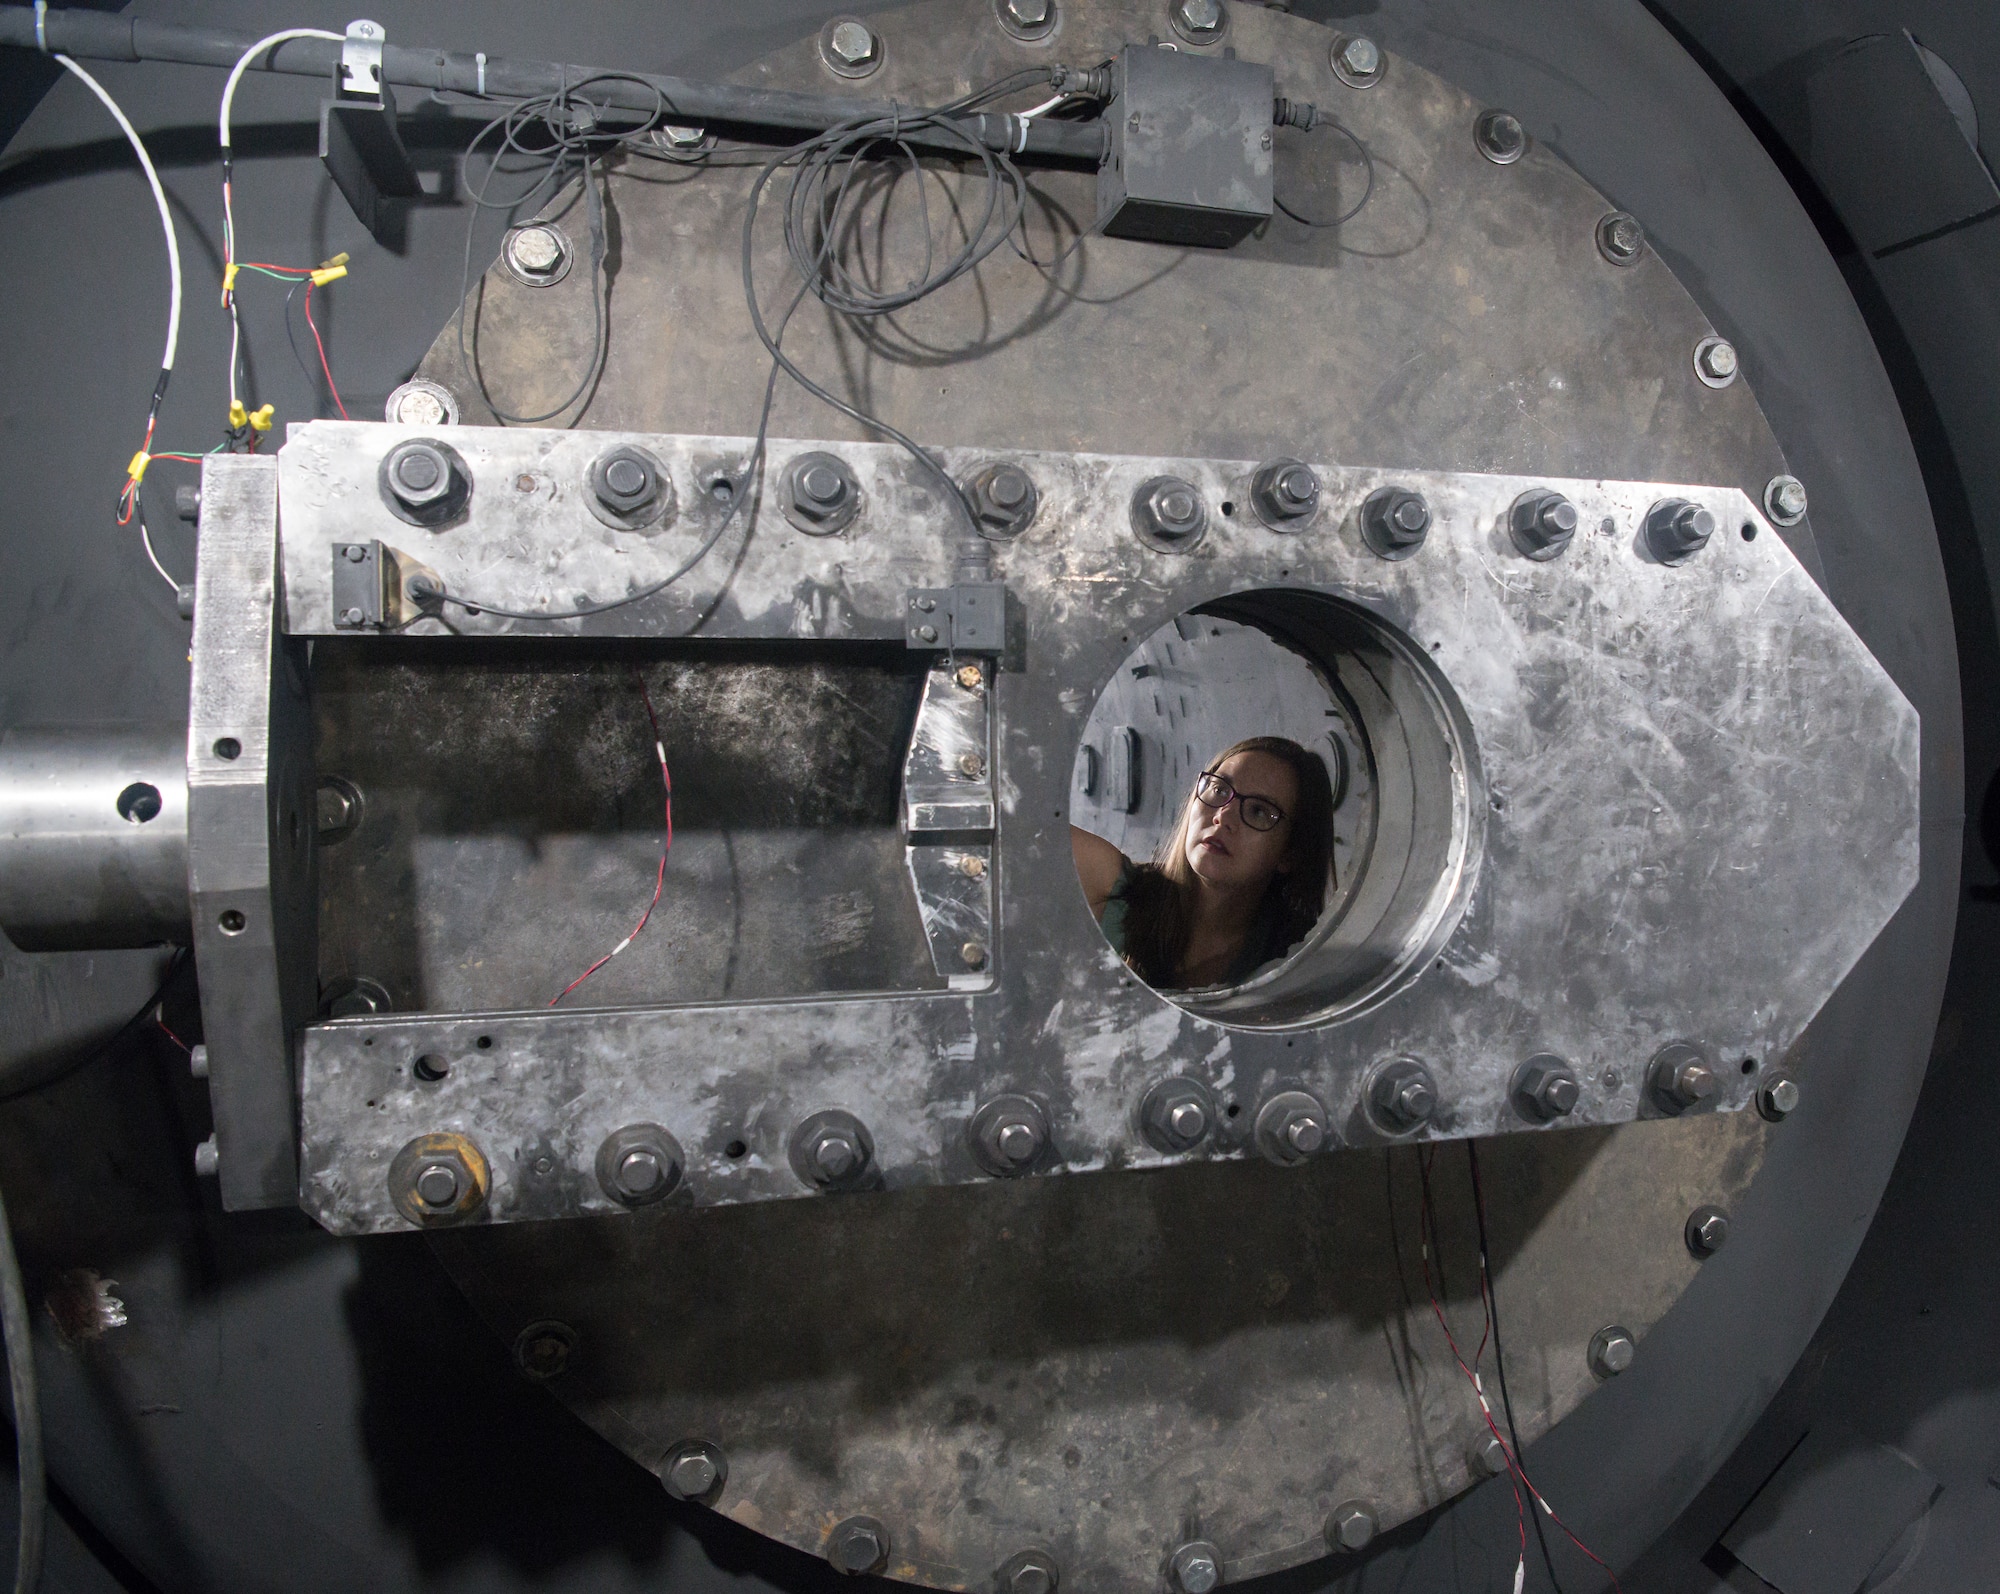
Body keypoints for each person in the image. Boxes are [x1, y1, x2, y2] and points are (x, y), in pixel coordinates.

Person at [1072, 736, 1336, 990]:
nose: (1224, 815)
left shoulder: (1294, 966)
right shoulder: (1111, 889)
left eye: (1258, 811)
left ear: (1290, 853)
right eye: (1219, 789)